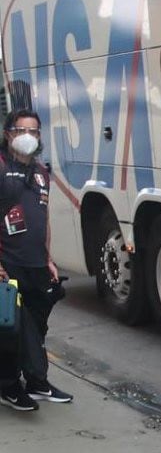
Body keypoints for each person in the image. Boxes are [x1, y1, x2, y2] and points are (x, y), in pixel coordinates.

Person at [0, 108, 72, 410]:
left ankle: (37, 383)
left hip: (36, 265)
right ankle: (9, 386)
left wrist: (49, 258)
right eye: (21, 130)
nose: (28, 136)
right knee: (11, 330)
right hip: (8, 265)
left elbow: (43, 219)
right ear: (8, 134)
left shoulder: (41, 173)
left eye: (34, 131)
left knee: (37, 329)